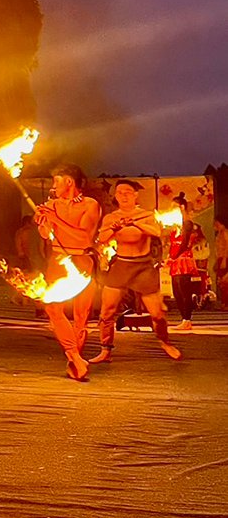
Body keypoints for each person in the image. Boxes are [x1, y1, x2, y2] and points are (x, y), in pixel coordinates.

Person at [90, 179, 181, 364]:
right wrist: (115, 228)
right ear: (115, 196)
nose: (123, 195)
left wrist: (135, 224)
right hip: (121, 265)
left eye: (128, 192)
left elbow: (155, 232)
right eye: (120, 192)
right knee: (107, 311)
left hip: (143, 267)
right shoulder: (111, 218)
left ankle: (165, 342)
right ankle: (105, 349)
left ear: (135, 195)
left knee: (157, 314)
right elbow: (102, 239)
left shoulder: (146, 215)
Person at [34, 164, 100, 382]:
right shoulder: (52, 204)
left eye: (57, 181)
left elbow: (84, 237)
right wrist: (43, 222)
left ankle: (76, 358)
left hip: (81, 259)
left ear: (69, 182)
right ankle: (73, 356)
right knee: (52, 307)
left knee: (81, 315)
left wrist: (54, 218)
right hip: (57, 260)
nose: (54, 186)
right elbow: (46, 234)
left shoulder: (90, 205)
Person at [168, 193, 200, 331]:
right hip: (175, 261)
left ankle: (187, 319)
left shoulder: (187, 223)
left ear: (181, 207)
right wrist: (169, 257)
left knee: (184, 291)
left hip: (183, 260)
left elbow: (185, 243)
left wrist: (174, 256)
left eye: (174, 207)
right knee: (176, 292)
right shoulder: (174, 227)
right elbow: (173, 244)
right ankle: (183, 319)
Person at [214, 216, 228, 309]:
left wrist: (224, 259)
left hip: (225, 258)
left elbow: (227, 246)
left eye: (217, 223)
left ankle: (226, 303)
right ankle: (224, 302)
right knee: (221, 282)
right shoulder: (219, 233)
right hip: (220, 258)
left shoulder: (225, 232)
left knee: (225, 281)